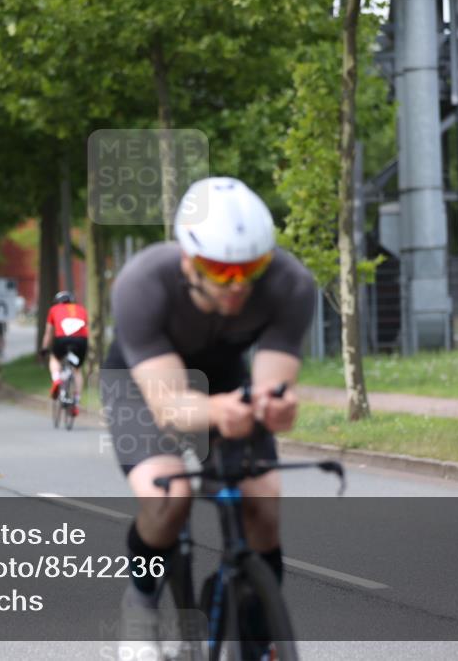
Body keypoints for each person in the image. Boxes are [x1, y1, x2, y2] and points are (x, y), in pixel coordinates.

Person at [101, 177, 316, 655]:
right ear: (188, 260)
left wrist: (275, 406)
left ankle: (254, 629)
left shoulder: (290, 283)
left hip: (223, 376)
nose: (237, 284)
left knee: (263, 499)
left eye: (250, 268)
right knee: (169, 496)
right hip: (143, 382)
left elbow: (273, 387)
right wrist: (218, 411)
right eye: (220, 270)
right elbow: (170, 405)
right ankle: (140, 602)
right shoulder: (142, 284)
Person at [41, 291, 88, 415]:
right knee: (77, 370)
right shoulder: (81, 309)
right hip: (81, 340)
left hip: (62, 339)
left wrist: (44, 348)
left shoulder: (54, 309)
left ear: (58, 302)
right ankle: (76, 401)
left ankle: (57, 379)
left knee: (54, 358)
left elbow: (48, 332)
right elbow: (86, 327)